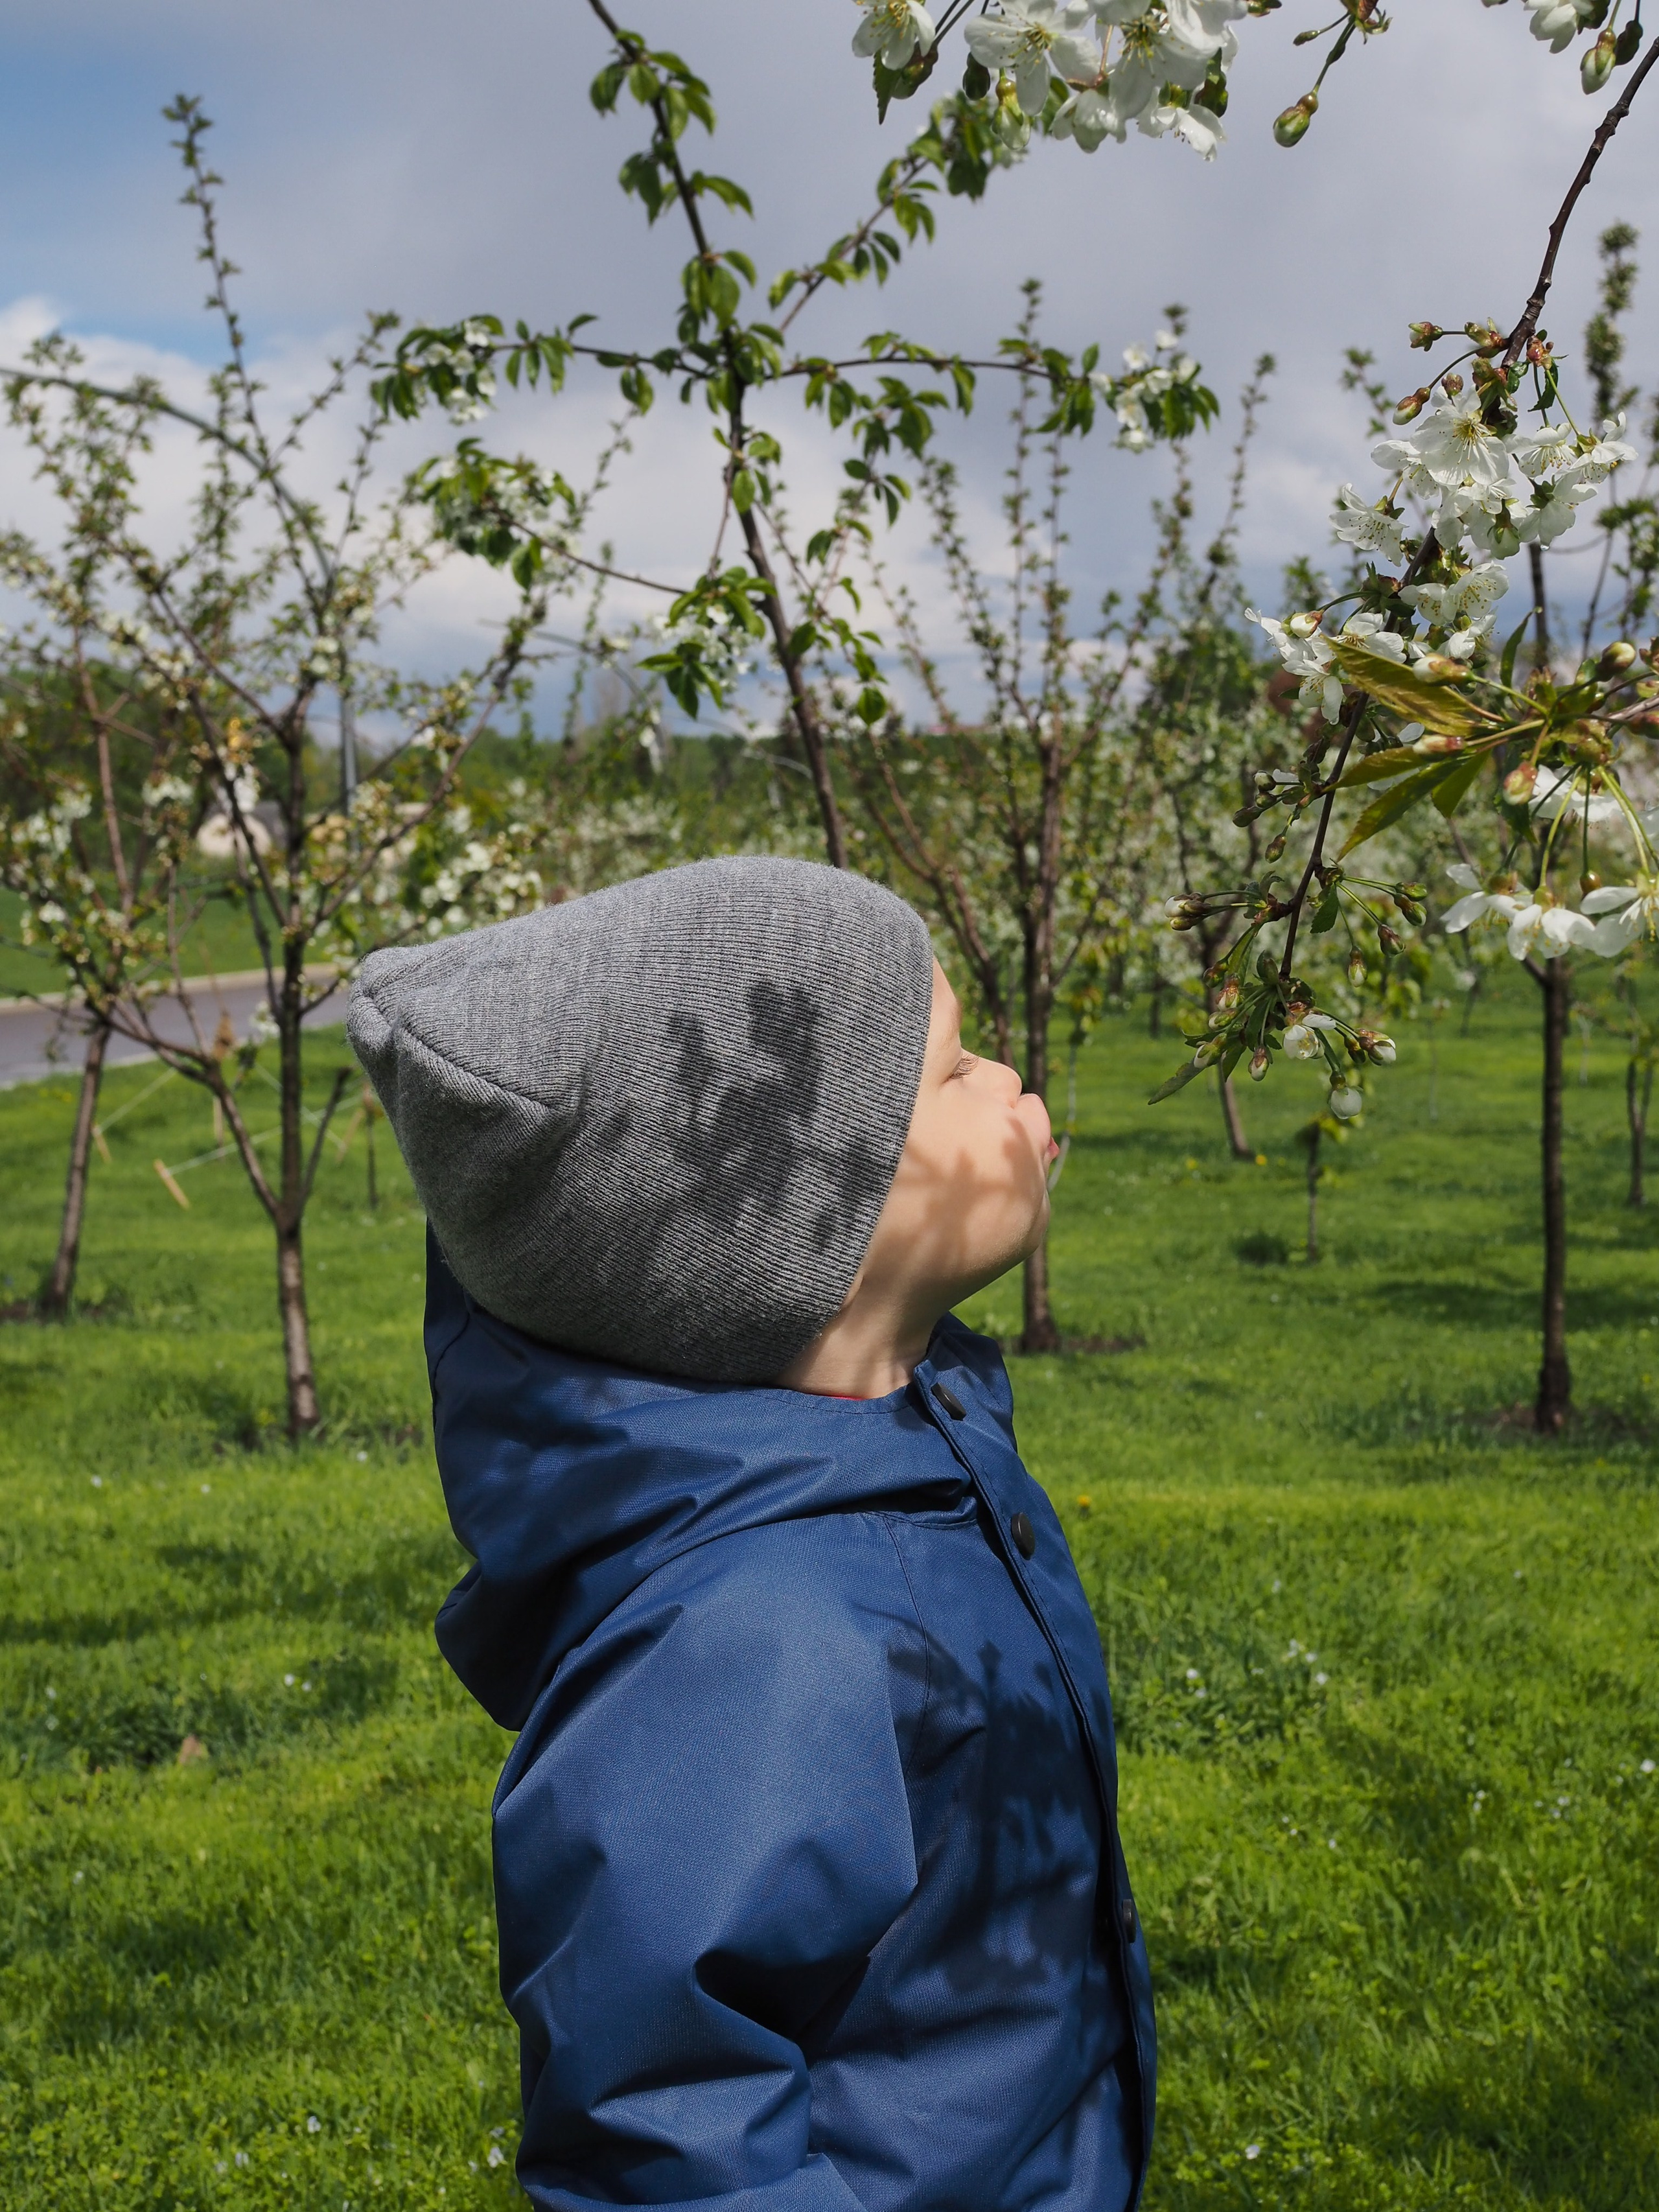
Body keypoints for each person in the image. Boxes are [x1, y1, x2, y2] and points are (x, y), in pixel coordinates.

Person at [349, 856, 1155, 2212]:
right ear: (806, 1226)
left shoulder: (904, 1441)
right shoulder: (746, 1646)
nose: (1004, 1069)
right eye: (952, 1070)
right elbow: (668, 2133)